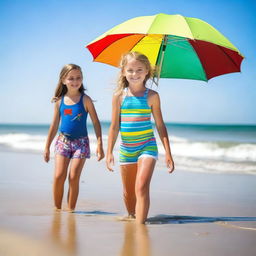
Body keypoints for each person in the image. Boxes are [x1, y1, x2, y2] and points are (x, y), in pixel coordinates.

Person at [106, 52, 175, 224]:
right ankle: (132, 217)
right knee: (129, 194)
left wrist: (168, 152)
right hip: (126, 150)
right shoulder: (119, 97)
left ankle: (140, 228)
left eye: (139, 70)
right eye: (130, 70)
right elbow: (114, 127)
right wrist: (109, 152)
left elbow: (160, 125)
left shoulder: (152, 96)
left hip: (147, 146)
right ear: (123, 72)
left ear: (146, 72)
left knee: (141, 187)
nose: (134, 74)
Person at [44, 64, 104, 212]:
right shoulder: (59, 102)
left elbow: (96, 122)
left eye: (78, 78)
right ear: (64, 80)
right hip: (62, 142)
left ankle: (71, 210)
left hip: (81, 144)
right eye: (71, 78)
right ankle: (57, 210)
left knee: (73, 177)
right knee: (59, 176)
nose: (75, 81)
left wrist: (100, 144)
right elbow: (54, 125)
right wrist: (46, 147)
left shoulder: (86, 100)